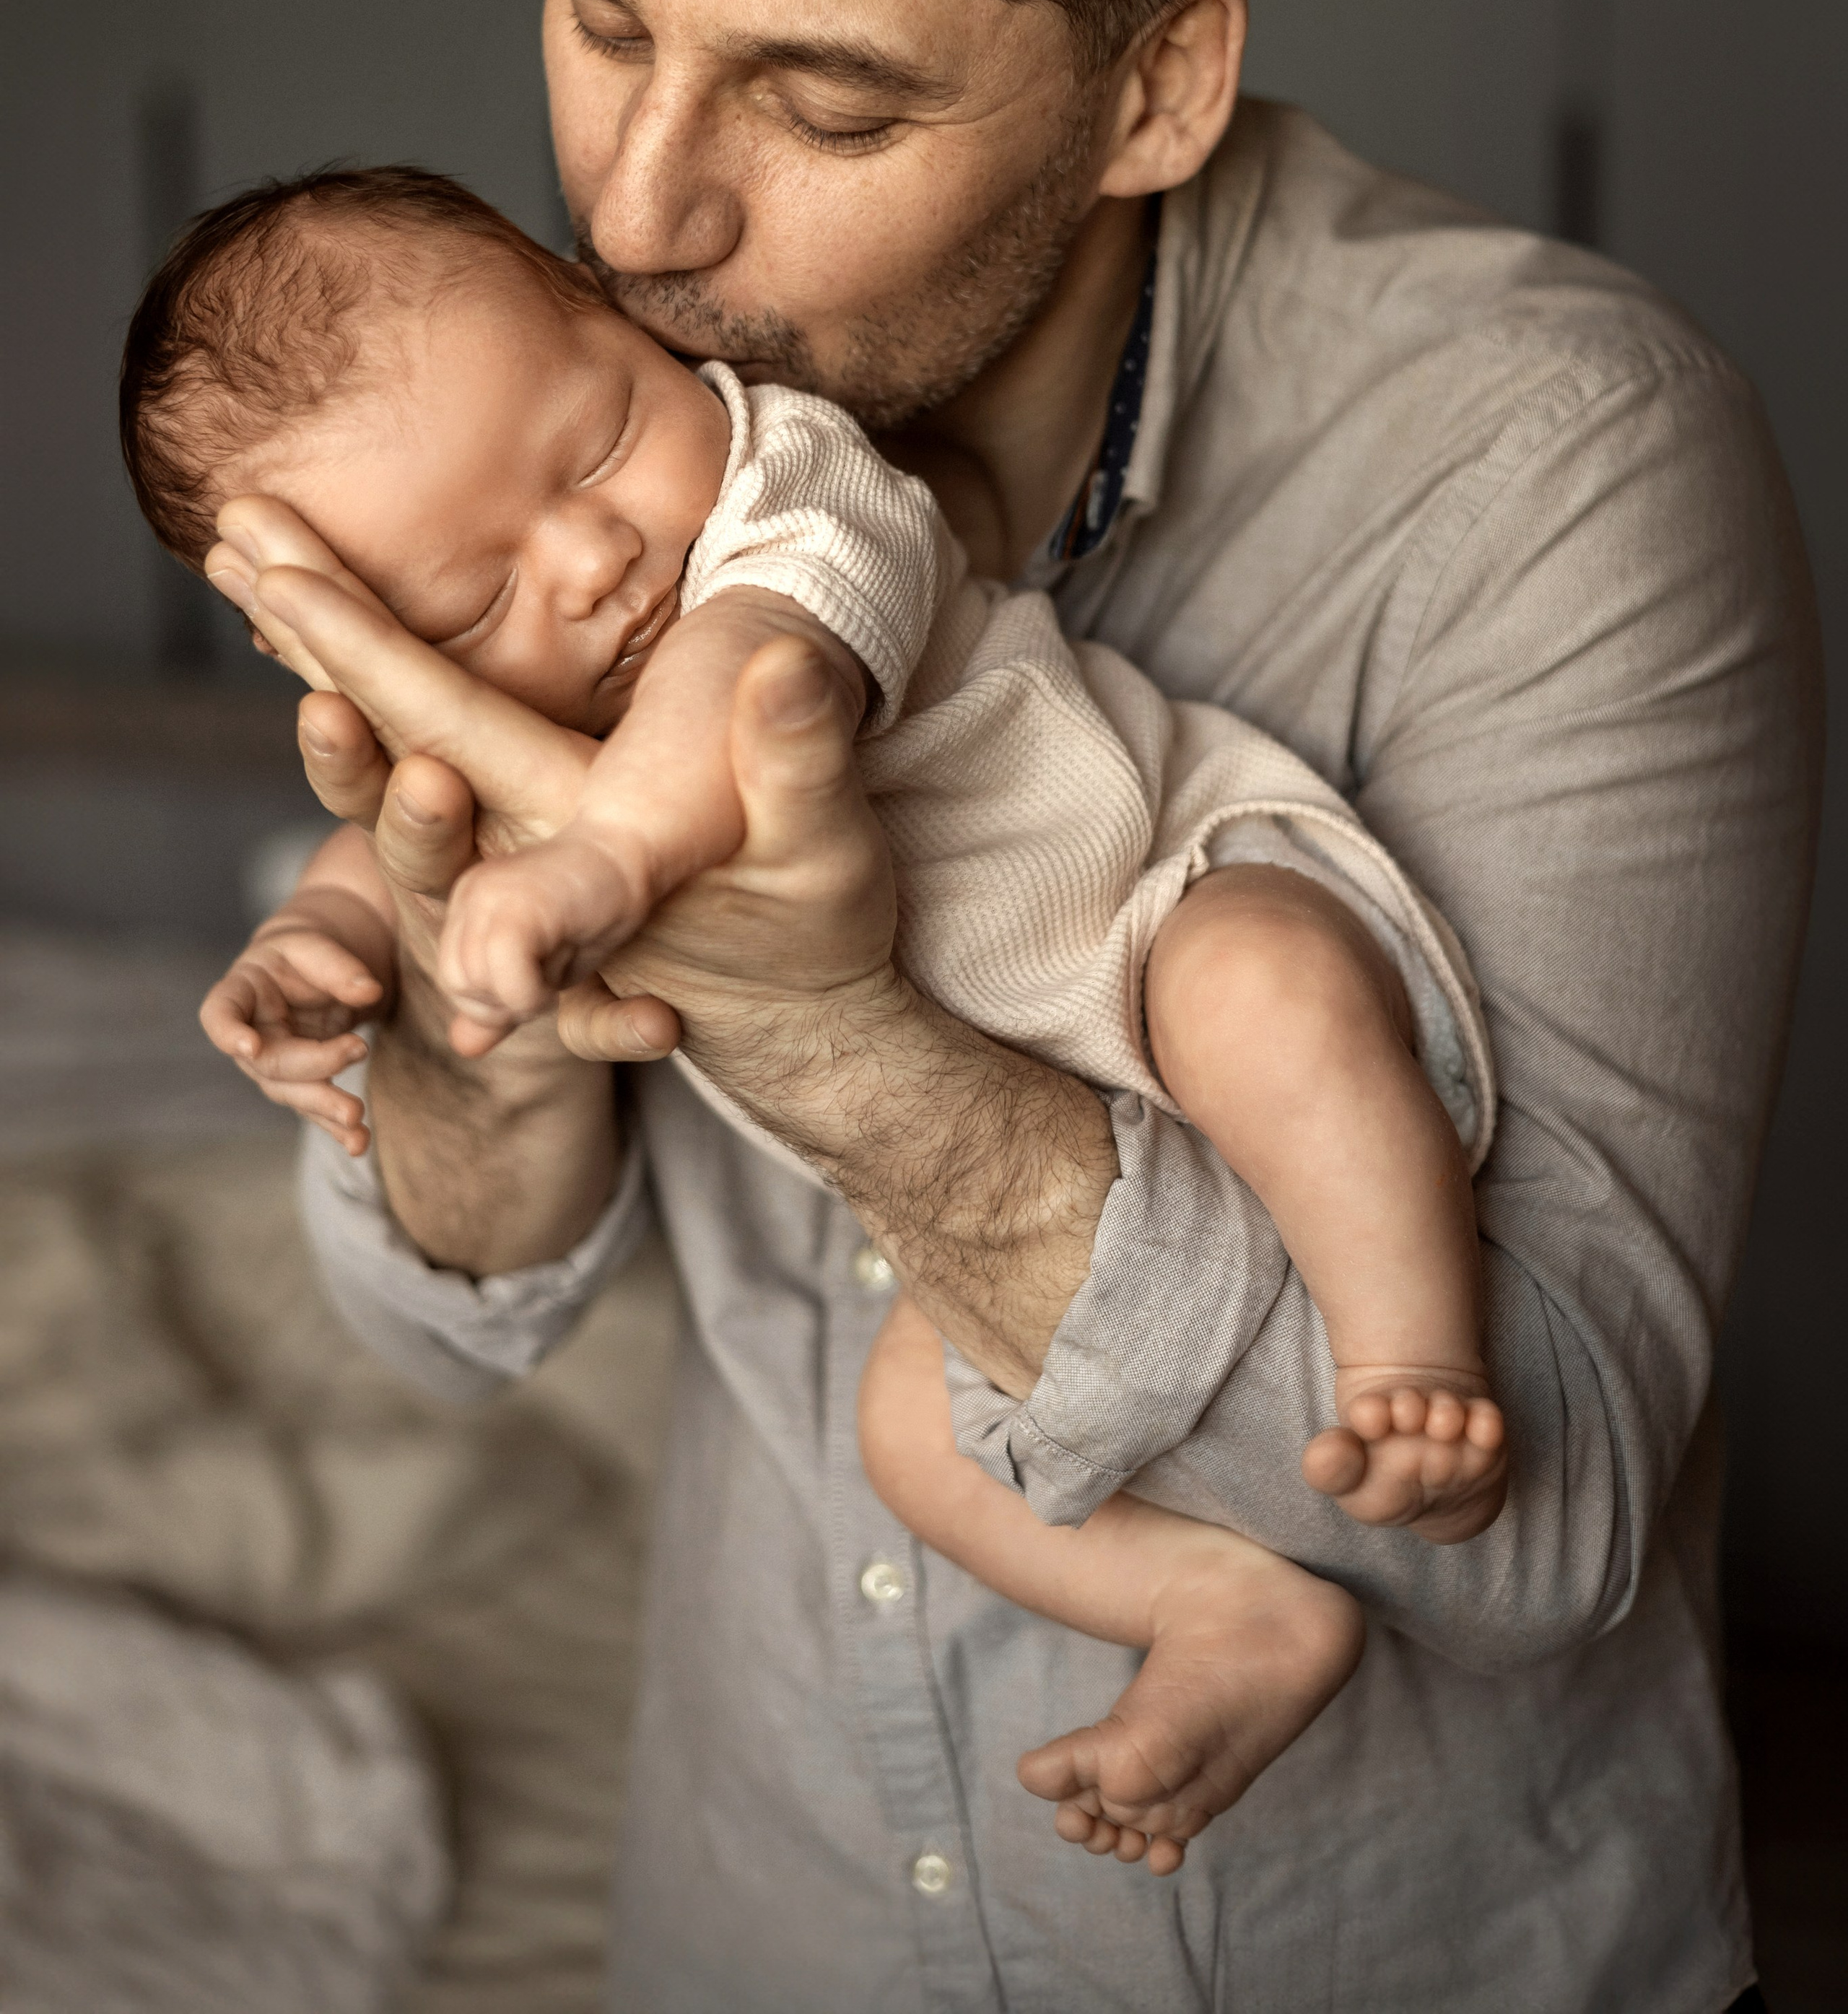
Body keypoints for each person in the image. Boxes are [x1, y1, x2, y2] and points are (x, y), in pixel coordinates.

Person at [194, 0, 1818, 2010]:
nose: (636, 215)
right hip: (769, 1920)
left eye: (826, 103)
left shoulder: (1556, 460)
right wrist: (435, 976)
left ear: (1157, 80)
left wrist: (837, 1038)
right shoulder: (568, 389)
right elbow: (448, 1311)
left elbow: (1540, 1532)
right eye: (599, 18)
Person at [124, 161, 1504, 1873]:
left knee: (1264, 988)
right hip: (1039, 1143)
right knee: (913, 1428)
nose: (595, 557)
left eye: (596, 442)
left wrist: (592, 868)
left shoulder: (794, 490)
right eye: (472, 602)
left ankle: (1413, 1357)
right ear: (354, 653)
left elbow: (743, 680)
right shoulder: (493, 717)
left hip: (1159, 909)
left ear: (619, 317)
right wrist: (317, 947)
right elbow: (389, 850)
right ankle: (1233, 1613)